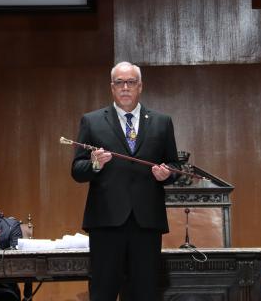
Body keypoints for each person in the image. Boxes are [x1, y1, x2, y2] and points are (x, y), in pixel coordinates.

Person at [71, 61, 180, 301]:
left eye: (131, 82)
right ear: (112, 87)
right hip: (106, 221)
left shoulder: (162, 122)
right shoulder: (92, 121)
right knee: (103, 290)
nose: (125, 87)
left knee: (144, 291)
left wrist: (168, 173)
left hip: (146, 222)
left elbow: (174, 164)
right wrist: (96, 164)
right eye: (119, 82)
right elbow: (78, 170)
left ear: (140, 86)